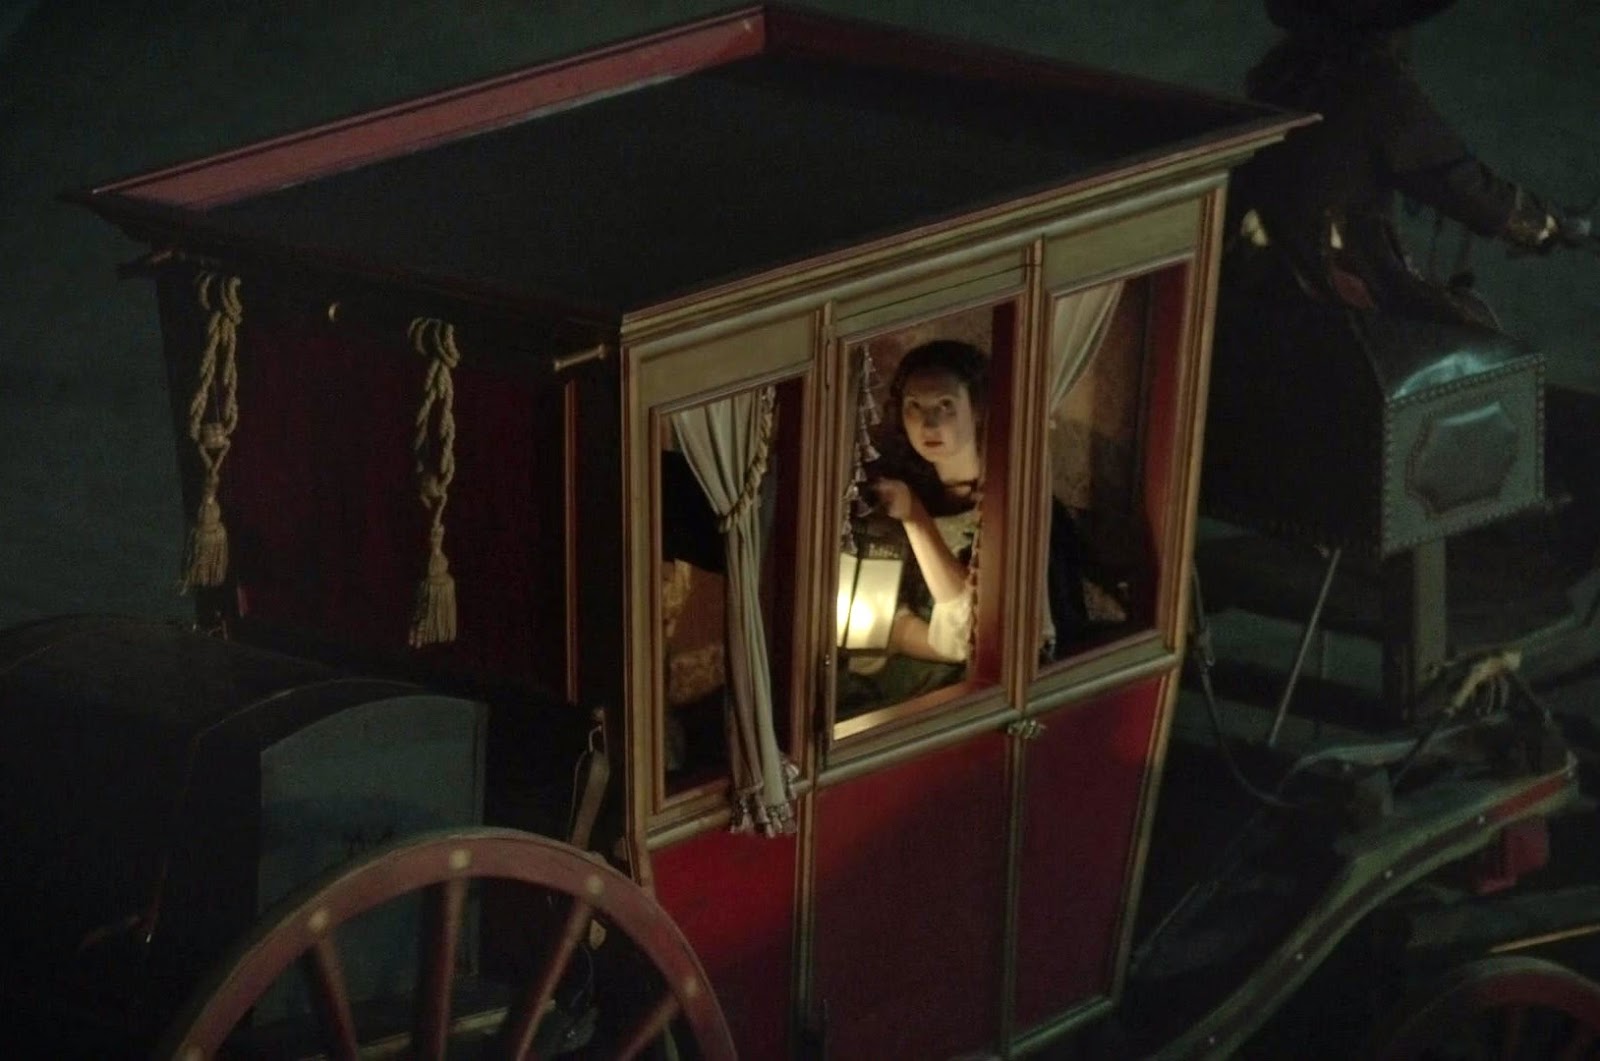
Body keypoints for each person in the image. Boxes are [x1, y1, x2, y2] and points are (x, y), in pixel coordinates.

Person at [1227, 0, 1590, 325]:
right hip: (1335, 291)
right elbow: (1460, 183)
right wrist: (1542, 224)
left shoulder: (1276, 76)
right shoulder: (1378, 86)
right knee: (1480, 337)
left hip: (1256, 278)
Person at [838, 340, 1089, 714]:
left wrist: (916, 519)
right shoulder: (891, 492)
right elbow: (869, 625)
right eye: (914, 406)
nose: (929, 423)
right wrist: (901, 632)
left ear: (979, 409)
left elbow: (973, 637)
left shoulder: (1014, 510)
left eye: (945, 406)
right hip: (897, 686)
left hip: (976, 697)